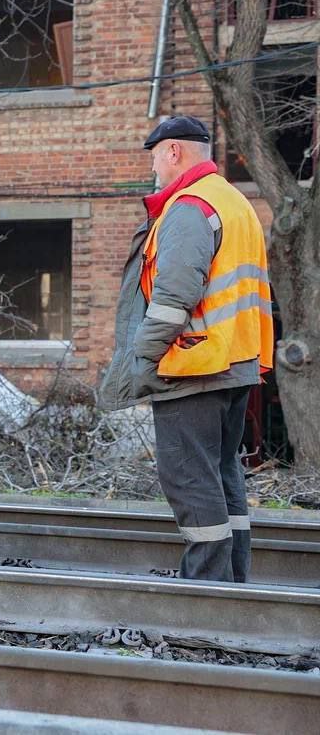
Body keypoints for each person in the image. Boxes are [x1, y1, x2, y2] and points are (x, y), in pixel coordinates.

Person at [99, 116, 273, 582]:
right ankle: (233, 585)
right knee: (221, 475)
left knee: (190, 477)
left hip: (194, 366)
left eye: (155, 155)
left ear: (173, 151)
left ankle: (206, 591)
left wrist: (143, 359)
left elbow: (174, 298)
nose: (153, 166)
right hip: (236, 363)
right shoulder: (233, 201)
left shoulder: (189, 206)